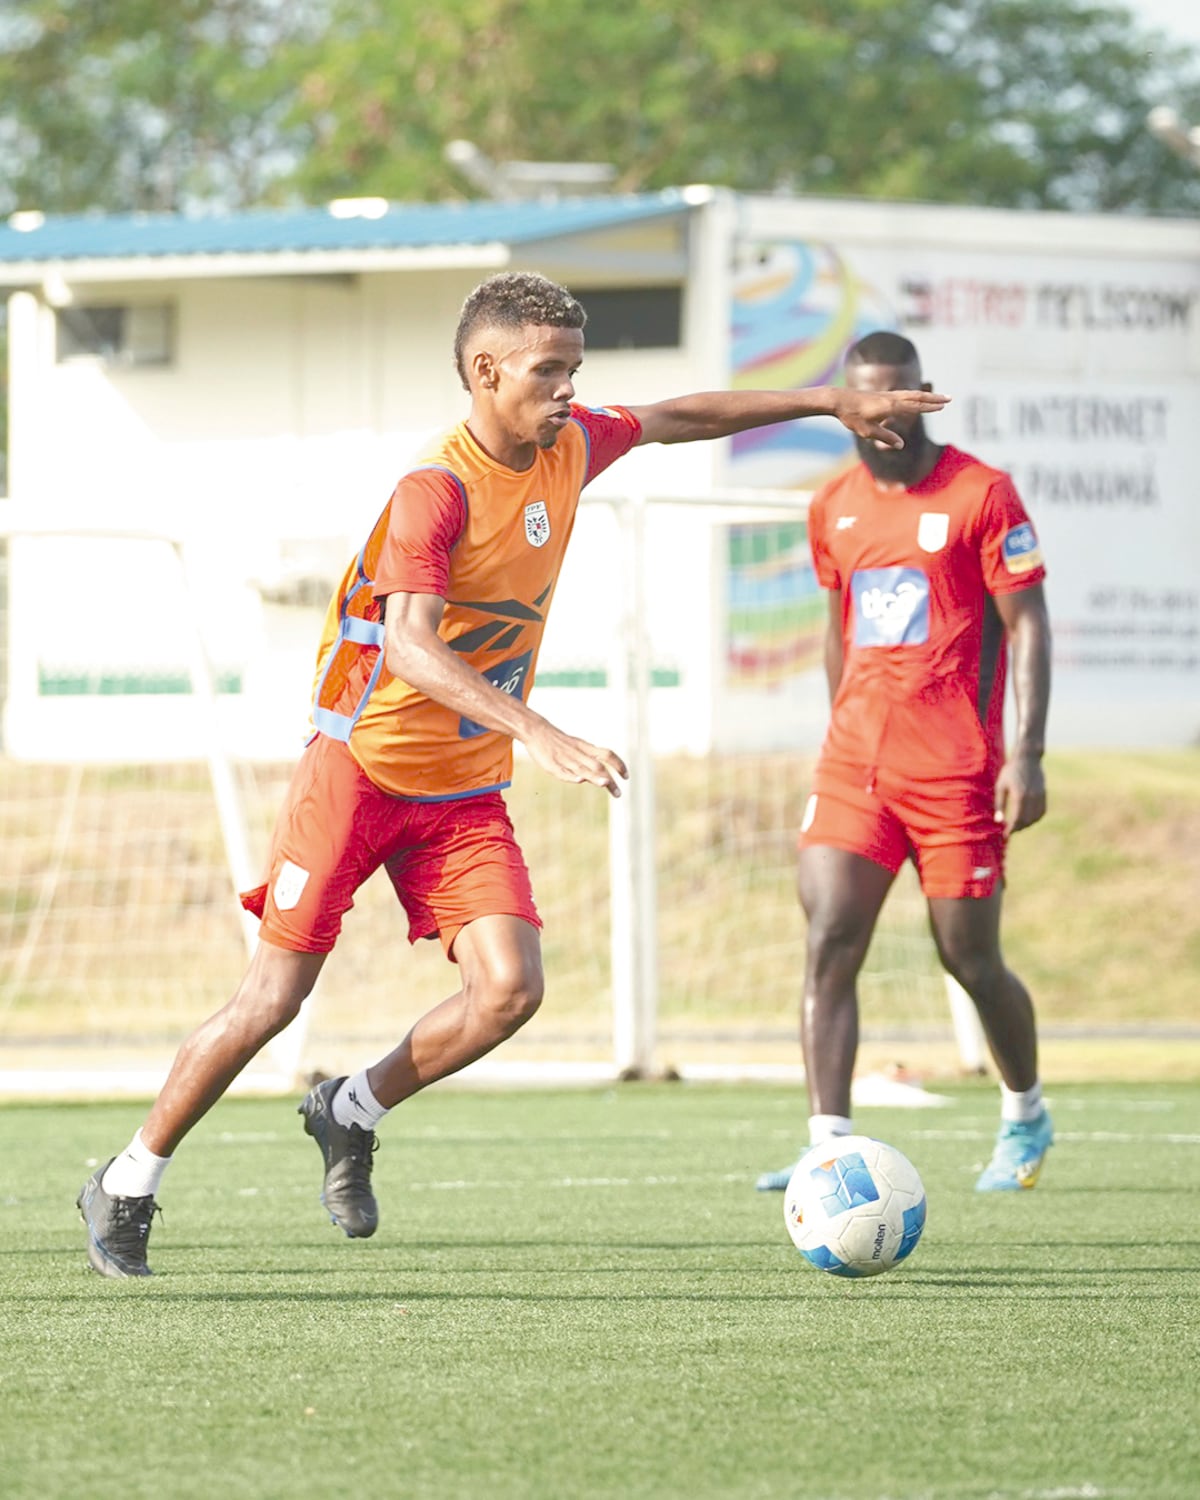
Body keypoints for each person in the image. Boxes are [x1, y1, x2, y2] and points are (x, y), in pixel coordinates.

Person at [77, 273, 949, 1278]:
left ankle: (349, 1108)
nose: (569, 388)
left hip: (460, 790)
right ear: (486, 372)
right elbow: (410, 646)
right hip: (357, 771)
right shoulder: (434, 490)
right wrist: (539, 730)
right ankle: (128, 1180)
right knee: (271, 1000)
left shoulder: (570, 446)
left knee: (509, 989)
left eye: (575, 368)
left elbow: (677, 417)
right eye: (548, 371)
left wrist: (830, 402)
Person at [755, 330, 1053, 1196]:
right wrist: (842, 730)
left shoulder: (981, 493)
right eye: (865, 399)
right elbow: (838, 632)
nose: (880, 414)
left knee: (969, 958)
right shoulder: (832, 505)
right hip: (855, 768)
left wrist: (1027, 755)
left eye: (896, 396)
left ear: (923, 393)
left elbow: (1029, 625)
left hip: (956, 772)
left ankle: (1025, 1113)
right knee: (829, 939)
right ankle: (827, 1146)